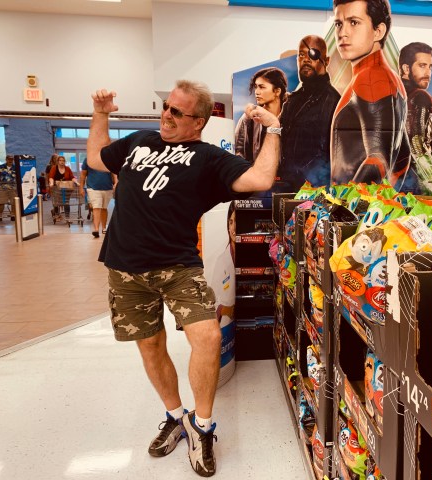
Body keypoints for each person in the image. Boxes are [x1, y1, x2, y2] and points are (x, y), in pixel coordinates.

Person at [86, 79, 280, 477]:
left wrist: (273, 128)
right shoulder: (138, 141)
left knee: (207, 337)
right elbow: (96, 159)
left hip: (179, 267)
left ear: (199, 122)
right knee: (150, 345)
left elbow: (260, 179)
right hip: (125, 267)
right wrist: (101, 114)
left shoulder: (208, 159)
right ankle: (175, 417)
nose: (167, 116)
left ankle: (202, 427)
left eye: (177, 112)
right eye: (166, 107)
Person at [330, 0, 410, 189]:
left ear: (378, 31)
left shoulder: (372, 77)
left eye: (354, 22)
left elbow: (378, 161)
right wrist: (387, 197)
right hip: (363, 204)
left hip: (350, 205)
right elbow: (403, 158)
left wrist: (345, 203)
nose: (343, 33)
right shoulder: (387, 76)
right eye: (339, 24)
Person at [278, 35, 341, 191]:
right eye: (301, 55)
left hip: (316, 193)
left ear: (326, 61)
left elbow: (333, 156)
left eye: (313, 54)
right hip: (287, 190)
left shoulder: (334, 101)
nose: (306, 59)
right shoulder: (291, 101)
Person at [397, 41, 432, 196]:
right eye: (422, 66)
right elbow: (417, 143)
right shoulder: (421, 97)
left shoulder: (392, 93)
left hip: (392, 177)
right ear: (406, 68)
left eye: (430, 67)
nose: (428, 72)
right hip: (414, 179)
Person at [234, 67, 287, 164]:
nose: (256, 92)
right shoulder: (248, 118)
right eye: (256, 87)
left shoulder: (292, 116)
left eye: (262, 87)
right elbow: (238, 152)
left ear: (277, 91)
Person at [79, 158, 116, 238]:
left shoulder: (108, 158)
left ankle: (104, 228)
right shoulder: (88, 160)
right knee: (96, 207)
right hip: (93, 188)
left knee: (104, 208)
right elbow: (83, 174)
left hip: (107, 187)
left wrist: (116, 183)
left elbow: (114, 173)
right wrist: (81, 187)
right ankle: (96, 229)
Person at [0, 155, 17, 219]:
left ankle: (13, 214)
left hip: (13, 187)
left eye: (12, 159)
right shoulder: (0, 167)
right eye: (9, 159)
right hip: (2, 187)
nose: (10, 160)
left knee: (13, 202)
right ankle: (0, 215)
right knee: (1, 202)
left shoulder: (16, 167)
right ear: (6, 159)